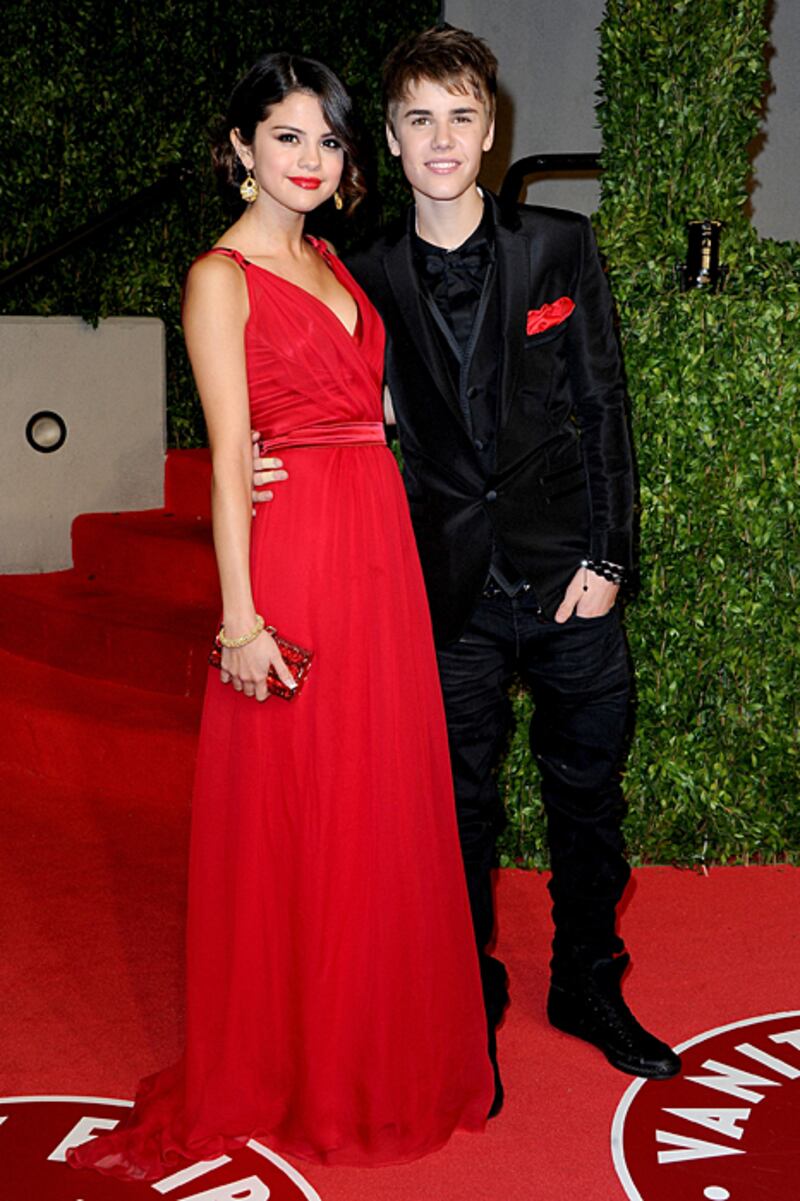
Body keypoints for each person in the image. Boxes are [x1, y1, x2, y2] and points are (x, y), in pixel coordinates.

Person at [68, 51, 493, 1183]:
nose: (311, 159)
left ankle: (374, 1051)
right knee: (305, 809)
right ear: (241, 148)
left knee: (375, 803)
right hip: (297, 557)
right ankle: (302, 1063)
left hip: (376, 549)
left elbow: (376, 405)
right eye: (287, 136)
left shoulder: (333, 260)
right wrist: (240, 618)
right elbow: (226, 458)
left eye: (329, 140)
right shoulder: (220, 276)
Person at [254, 25, 681, 1102]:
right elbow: (332, 406)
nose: (440, 139)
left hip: (571, 581)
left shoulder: (559, 246)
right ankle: (463, 992)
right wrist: (262, 460)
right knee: (455, 813)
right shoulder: (356, 274)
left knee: (589, 801)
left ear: (490, 132)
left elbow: (604, 408)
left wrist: (609, 557)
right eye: (418, 119)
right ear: (390, 141)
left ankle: (587, 982)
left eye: (460, 116)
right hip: (440, 593)